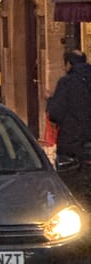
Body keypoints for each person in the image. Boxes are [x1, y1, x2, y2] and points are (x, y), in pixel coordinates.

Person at [46, 50, 91, 204]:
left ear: (68, 64)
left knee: (71, 192)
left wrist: (50, 100)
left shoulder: (66, 82)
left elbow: (55, 114)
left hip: (72, 145)